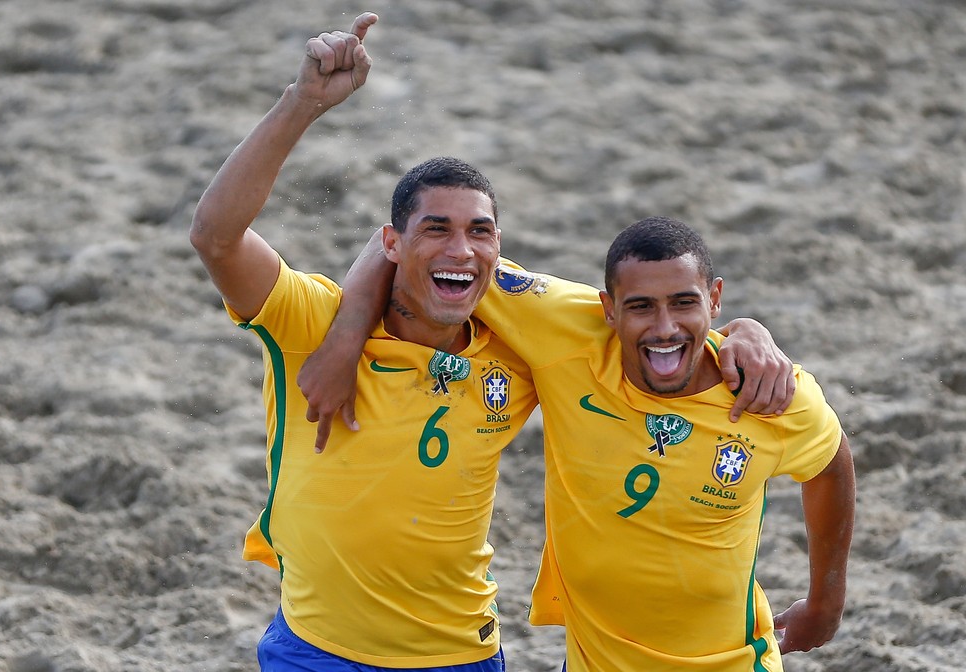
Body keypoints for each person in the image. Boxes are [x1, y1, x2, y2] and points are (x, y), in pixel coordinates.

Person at [190, 11, 795, 671]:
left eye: (480, 231)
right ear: (390, 243)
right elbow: (216, 236)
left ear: (499, 249)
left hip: (462, 656)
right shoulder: (311, 323)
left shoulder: (524, 346)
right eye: (437, 229)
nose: (461, 249)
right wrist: (302, 101)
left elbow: (657, 324)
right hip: (316, 651)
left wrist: (745, 332)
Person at [309, 218, 855, 671]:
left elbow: (830, 466)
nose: (664, 327)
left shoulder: (771, 395)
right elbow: (410, 249)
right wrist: (344, 337)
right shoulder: (564, 327)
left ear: (714, 299)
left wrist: (825, 605)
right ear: (608, 309)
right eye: (641, 307)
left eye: (684, 303)